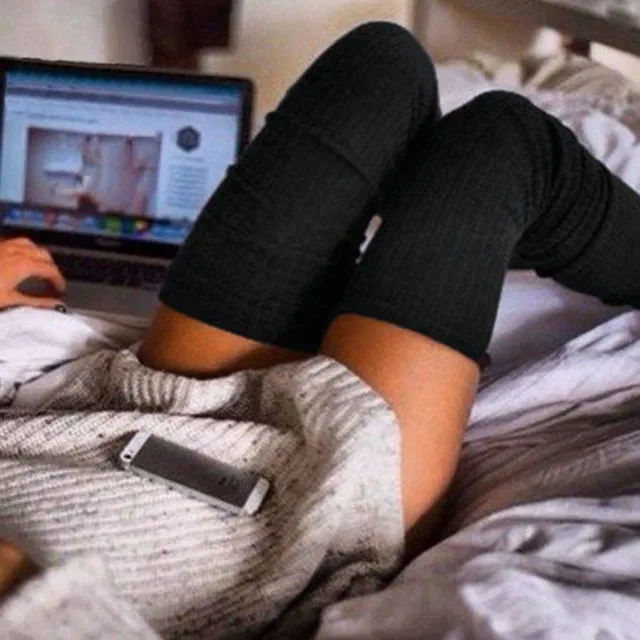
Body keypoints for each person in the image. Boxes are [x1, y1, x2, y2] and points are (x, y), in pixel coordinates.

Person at [0, 21, 638, 639]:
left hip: (103, 421)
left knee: (379, 67)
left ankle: (417, 230)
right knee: (501, 144)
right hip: (294, 520)